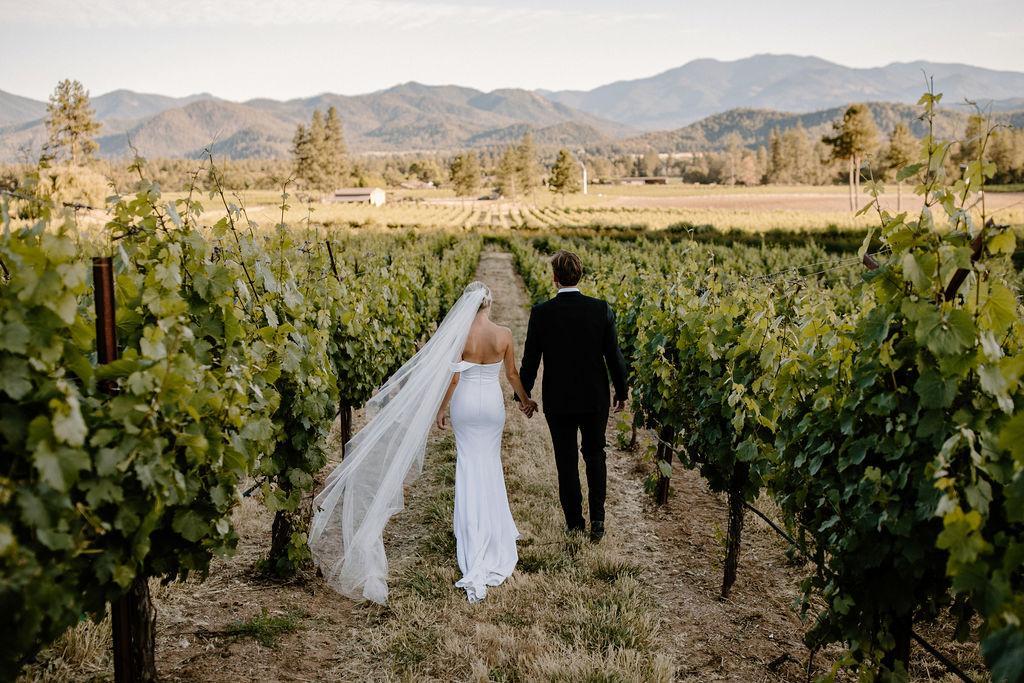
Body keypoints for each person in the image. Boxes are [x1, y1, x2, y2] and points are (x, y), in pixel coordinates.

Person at [308, 281, 535, 605]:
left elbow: (454, 378)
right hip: (492, 407)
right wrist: (525, 401)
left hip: (466, 406)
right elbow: (512, 375)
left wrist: (441, 409)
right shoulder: (504, 334)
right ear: (489, 304)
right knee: (490, 463)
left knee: (468, 465)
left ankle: (472, 536)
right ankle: (494, 531)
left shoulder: (462, 336)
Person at [519, 250, 628, 542]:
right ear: (579, 275)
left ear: (554, 278)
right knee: (595, 455)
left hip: (559, 400)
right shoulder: (601, 309)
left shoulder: (542, 313)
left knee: (566, 461)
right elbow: (614, 356)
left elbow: (531, 360)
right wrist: (622, 390)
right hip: (594, 398)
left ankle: (574, 523)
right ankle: (598, 521)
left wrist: (523, 396)